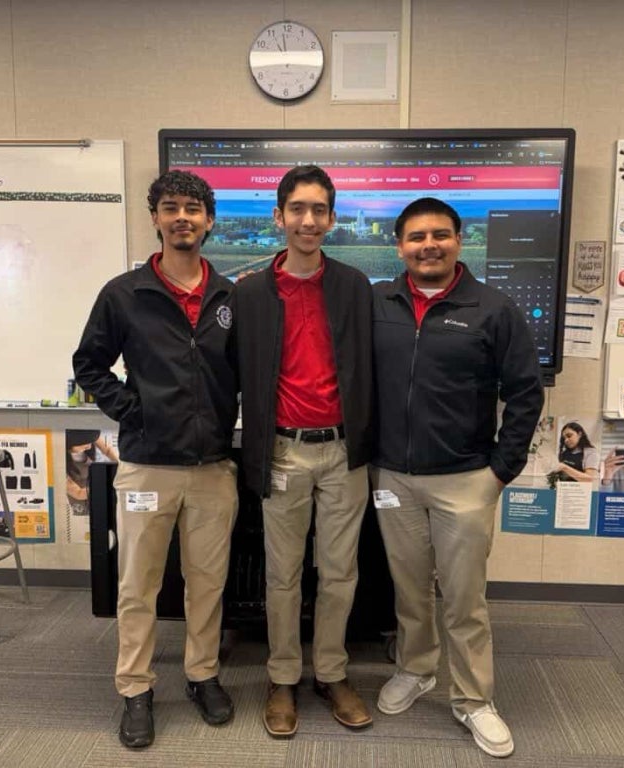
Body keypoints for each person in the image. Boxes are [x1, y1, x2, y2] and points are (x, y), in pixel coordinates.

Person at [370, 197, 543, 759]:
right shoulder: (376, 304)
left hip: (466, 479)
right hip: (392, 476)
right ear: (399, 246)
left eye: (439, 235)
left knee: (464, 598)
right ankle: (416, 669)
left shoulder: (494, 309)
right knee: (409, 587)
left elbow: (525, 394)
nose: (428, 245)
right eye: (416, 236)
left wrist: (500, 470)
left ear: (458, 241)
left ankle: (472, 699)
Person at [73, 170, 239, 749]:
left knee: (207, 583)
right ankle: (136, 688)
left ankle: (201, 675)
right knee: (138, 585)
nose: (182, 218)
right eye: (171, 208)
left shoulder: (230, 297)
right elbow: (88, 365)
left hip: (215, 468)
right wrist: (132, 411)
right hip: (147, 465)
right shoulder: (124, 293)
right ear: (156, 218)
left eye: (193, 209)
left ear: (209, 220)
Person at [233, 165, 374, 739]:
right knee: (282, 576)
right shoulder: (248, 293)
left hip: (344, 453)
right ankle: (283, 677)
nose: (309, 220)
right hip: (284, 453)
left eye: (319, 210)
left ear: (332, 218)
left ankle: (332, 672)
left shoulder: (353, 286)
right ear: (279, 217)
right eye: (298, 209)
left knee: (340, 572)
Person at [65, 429, 119, 517]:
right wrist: (108, 488)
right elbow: (77, 493)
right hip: (80, 495)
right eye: (85, 445)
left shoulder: (89, 435)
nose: (89, 447)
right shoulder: (58, 461)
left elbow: (107, 450)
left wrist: (121, 465)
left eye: (91, 443)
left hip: (93, 482)